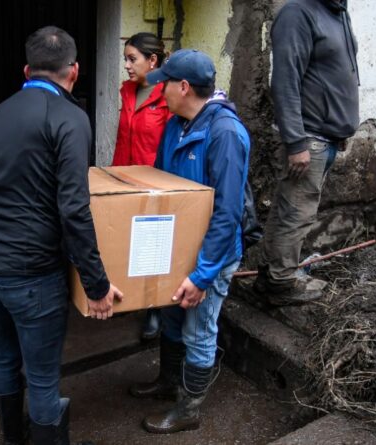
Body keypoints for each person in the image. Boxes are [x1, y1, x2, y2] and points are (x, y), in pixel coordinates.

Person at [0, 26, 123, 445]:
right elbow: (73, 207)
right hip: (30, 272)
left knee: (4, 360)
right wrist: (97, 283)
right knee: (41, 379)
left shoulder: (1, 112)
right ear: (74, 71)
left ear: (26, 70)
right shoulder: (70, 117)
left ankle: (12, 439)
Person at [129, 49, 250, 434]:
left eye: (164, 83)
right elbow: (164, 188)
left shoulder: (225, 133)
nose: (158, 89)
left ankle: (189, 408)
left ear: (183, 87)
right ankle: (168, 381)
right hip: (178, 249)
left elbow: (227, 214)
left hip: (210, 256)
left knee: (199, 330)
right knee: (171, 317)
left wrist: (202, 276)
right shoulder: (177, 124)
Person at [254, 0, 360, 305]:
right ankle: (281, 283)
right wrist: (296, 142)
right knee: (297, 213)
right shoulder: (298, 13)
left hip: (325, 137)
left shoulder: (339, 13)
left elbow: (337, 75)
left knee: (290, 210)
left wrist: (340, 130)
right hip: (308, 138)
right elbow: (285, 81)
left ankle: (270, 275)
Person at [111, 31, 171, 340]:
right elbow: (124, 138)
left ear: (153, 60)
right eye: (125, 59)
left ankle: (154, 308)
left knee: (154, 249)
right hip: (124, 179)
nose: (127, 65)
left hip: (155, 184)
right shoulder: (128, 92)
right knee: (126, 244)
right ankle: (131, 298)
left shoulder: (169, 96)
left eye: (132, 59)